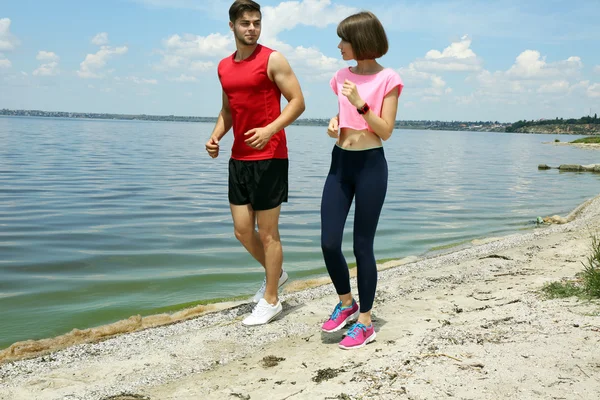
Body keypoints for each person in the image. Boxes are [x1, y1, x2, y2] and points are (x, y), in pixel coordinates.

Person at [205, 0, 305, 326]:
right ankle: (276, 275)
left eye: (256, 23)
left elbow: (298, 102)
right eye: (245, 23)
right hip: (239, 158)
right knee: (242, 231)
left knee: (268, 234)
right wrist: (216, 136)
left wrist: (270, 129)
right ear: (232, 26)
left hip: (271, 157)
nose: (252, 28)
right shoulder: (223, 66)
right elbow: (229, 110)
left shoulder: (272, 59)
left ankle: (272, 299)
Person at [320, 11, 403, 349]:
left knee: (361, 246)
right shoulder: (340, 75)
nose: (339, 45)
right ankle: (346, 303)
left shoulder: (389, 78)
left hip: (371, 165)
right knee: (328, 242)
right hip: (340, 163)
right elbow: (344, 114)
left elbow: (386, 131)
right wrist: (335, 120)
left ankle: (365, 322)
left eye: (344, 39)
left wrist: (361, 104)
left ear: (361, 41)